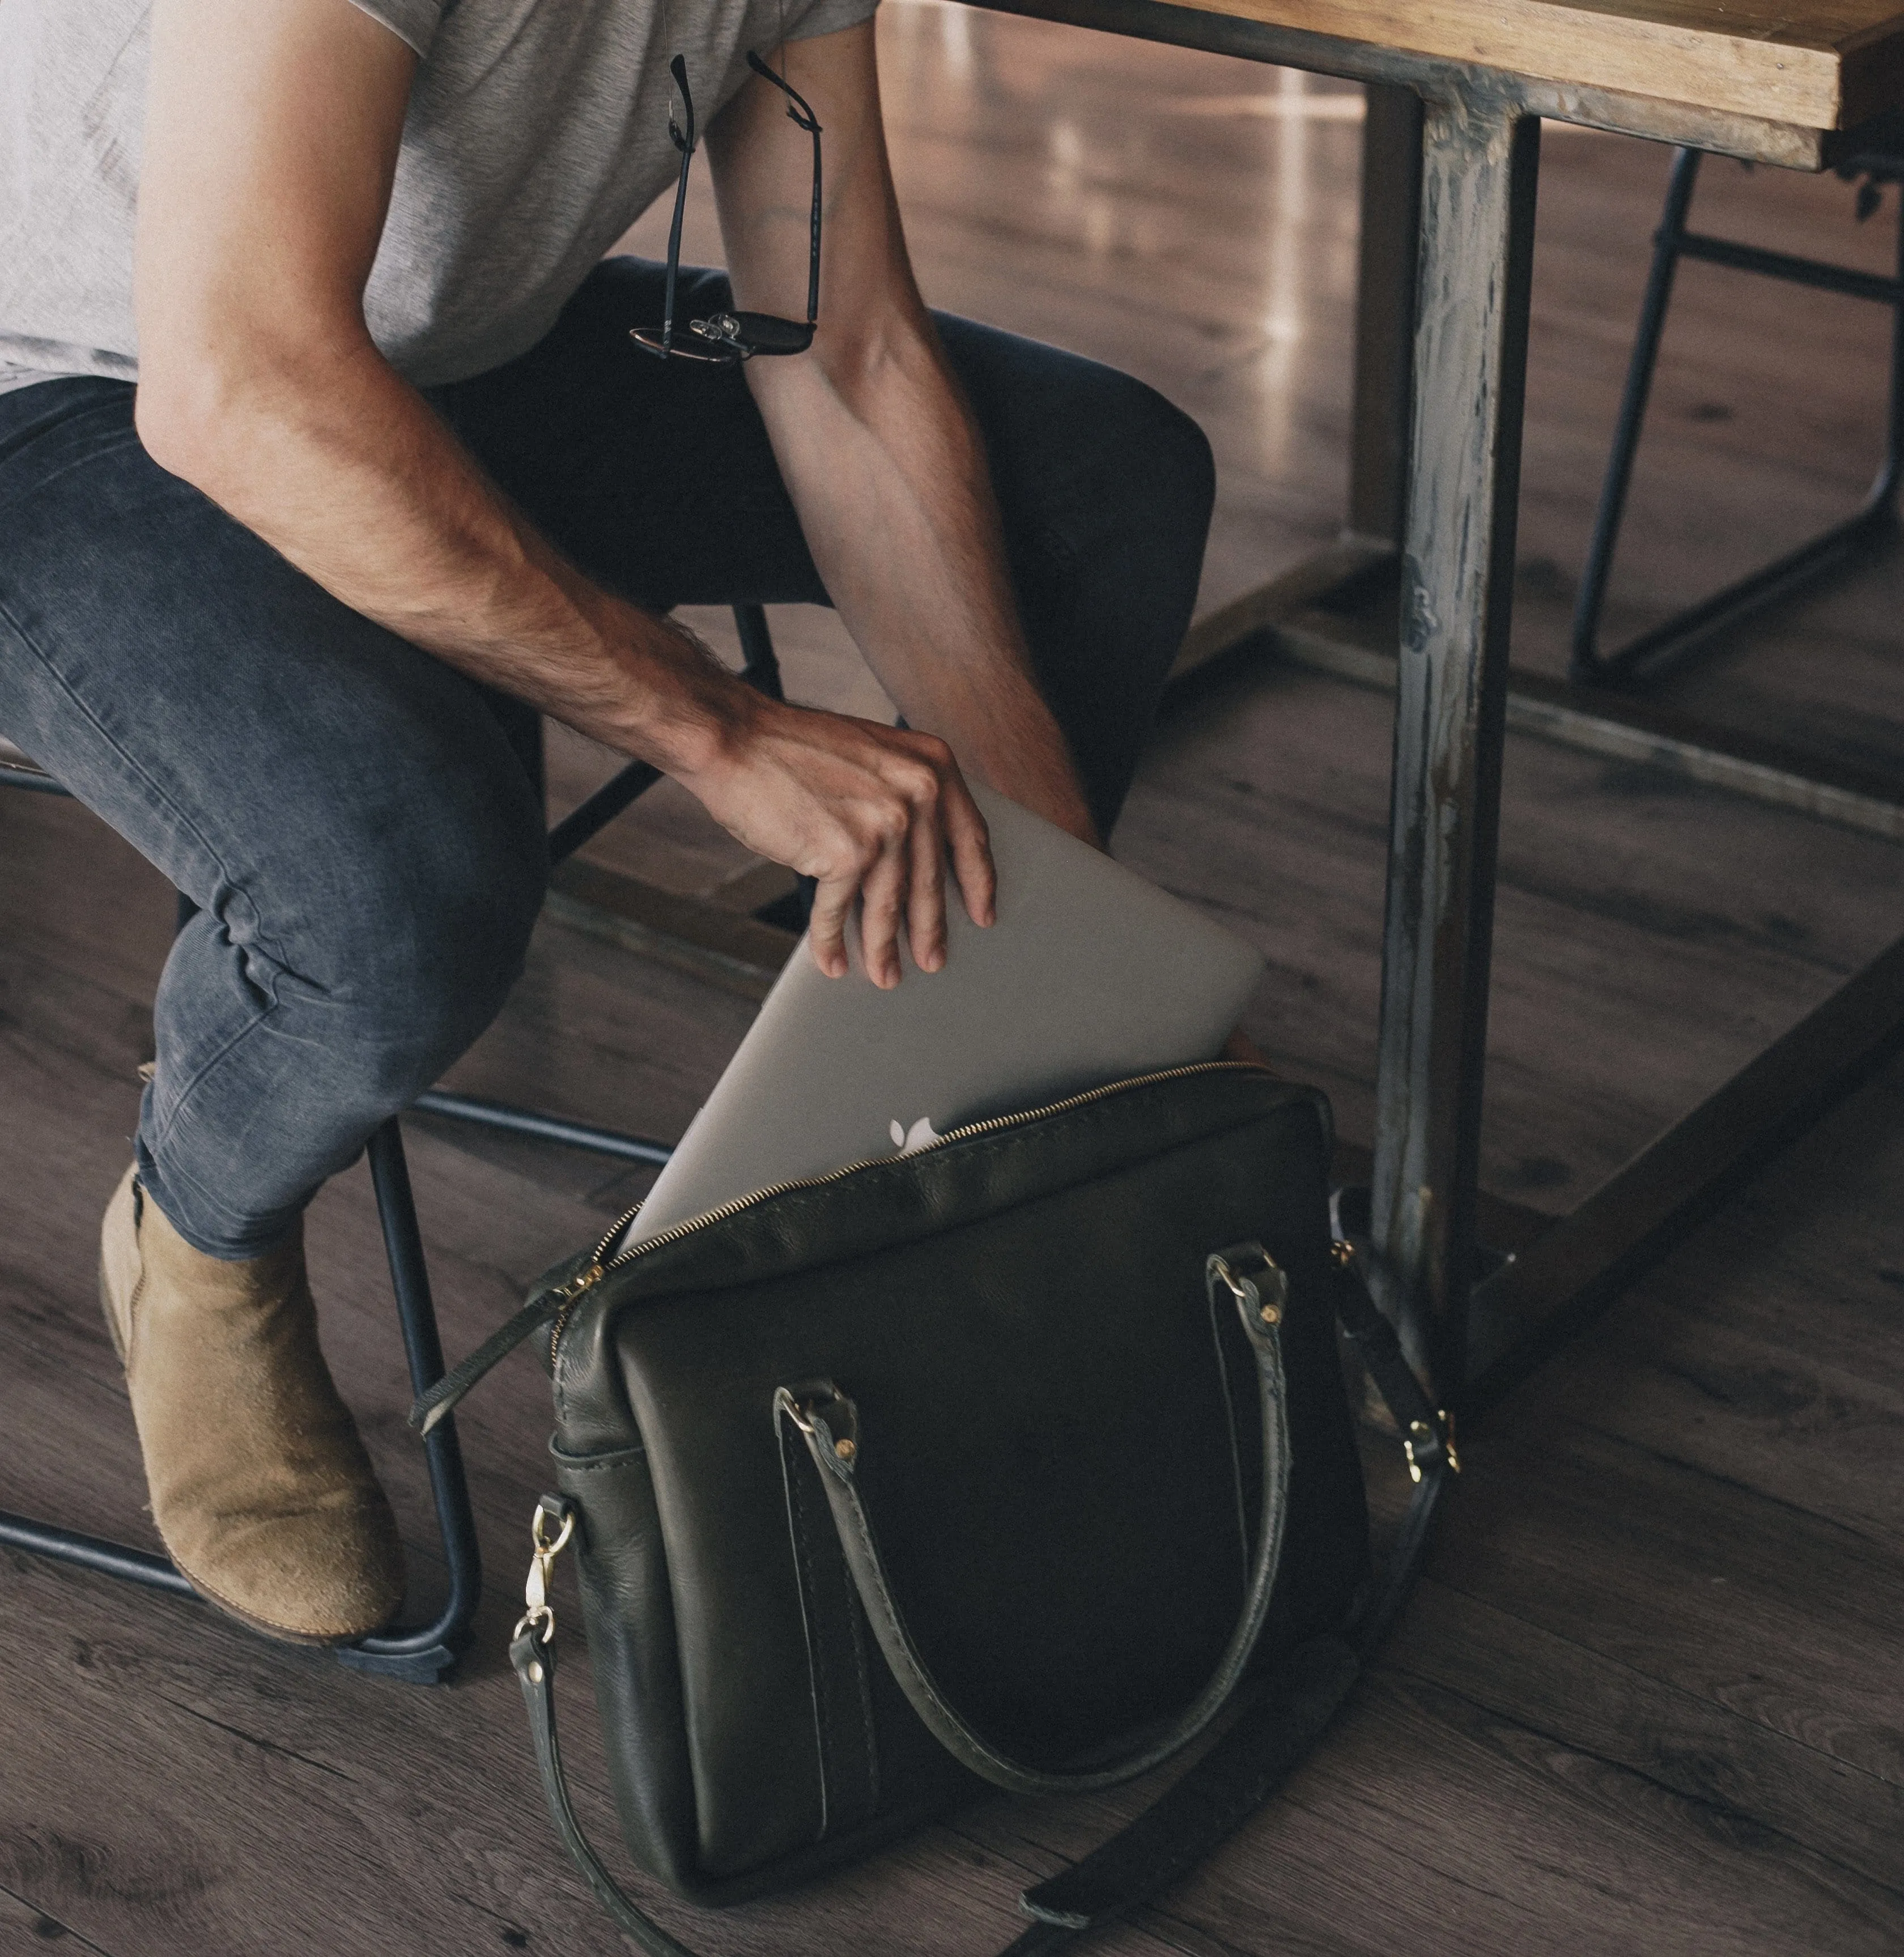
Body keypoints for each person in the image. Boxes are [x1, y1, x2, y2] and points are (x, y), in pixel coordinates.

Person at [0, 0, 1215, 1646]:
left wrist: (1046, 896)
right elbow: (239, 384)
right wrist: (718, 726)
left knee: (1098, 475)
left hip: (446, 355)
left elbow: (842, 350)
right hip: (77, 388)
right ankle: (195, 1226)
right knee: (398, 885)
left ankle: (898, 1115)